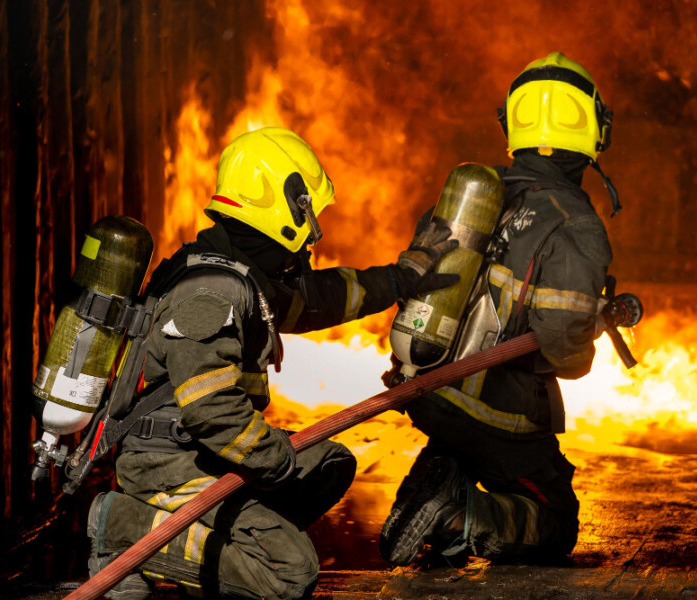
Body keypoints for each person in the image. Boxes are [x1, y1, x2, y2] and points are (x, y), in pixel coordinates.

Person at [86, 127, 459, 600]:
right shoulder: (211, 291)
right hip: (171, 463)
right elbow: (212, 410)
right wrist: (273, 459)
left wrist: (401, 279)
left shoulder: (239, 271)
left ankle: (233, 537)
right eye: (311, 214)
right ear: (288, 208)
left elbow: (319, 299)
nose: (313, 234)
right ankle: (124, 528)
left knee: (329, 463)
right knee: (290, 575)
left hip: (202, 450)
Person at [380, 52, 616, 565]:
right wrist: (588, 333)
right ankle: (457, 515)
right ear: (594, 128)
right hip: (495, 411)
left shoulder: (475, 193)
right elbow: (566, 354)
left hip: (424, 386)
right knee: (555, 519)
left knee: (469, 441)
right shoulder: (573, 221)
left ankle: (443, 475)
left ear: (512, 123)